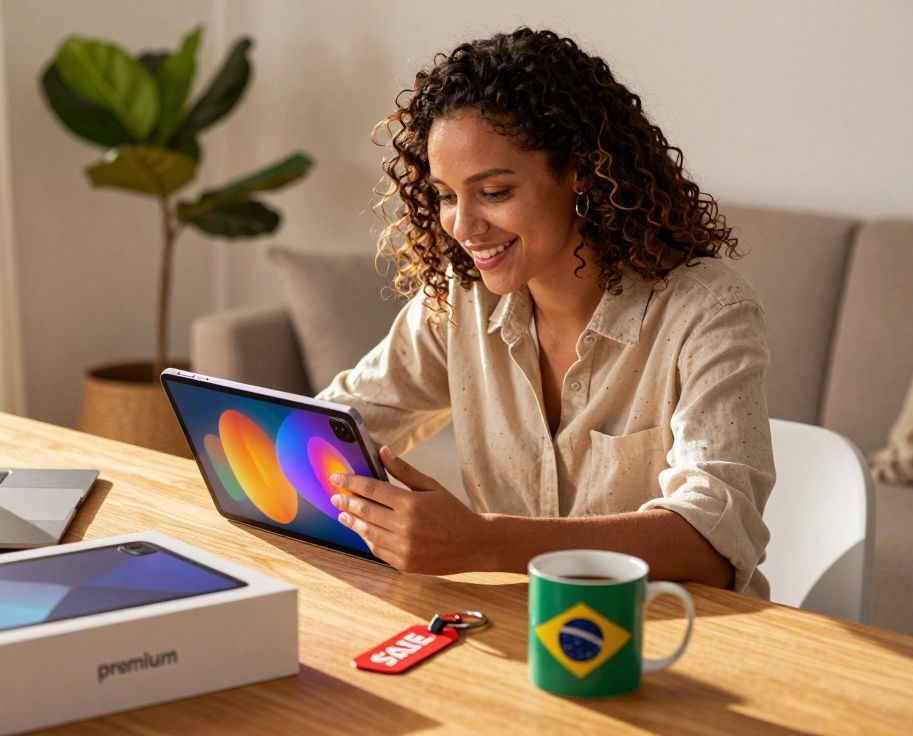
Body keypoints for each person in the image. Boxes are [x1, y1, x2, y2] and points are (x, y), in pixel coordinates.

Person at [318, 28, 774, 597]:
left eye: (494, 192)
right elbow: (338, 423)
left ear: (579, 173)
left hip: (678, 632)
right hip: (518, 627)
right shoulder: (463, 301)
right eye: (447, 196)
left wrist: (482, 542)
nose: (463, 227)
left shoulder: (705, 310)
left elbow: (712, 542)